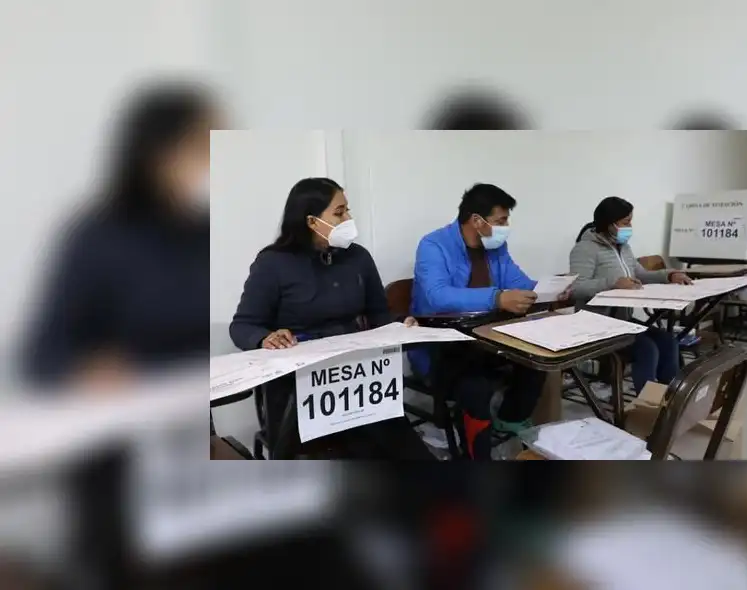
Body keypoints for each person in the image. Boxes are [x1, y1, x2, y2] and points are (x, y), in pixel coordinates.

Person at [21, 82, 214, 389]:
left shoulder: (204, 233)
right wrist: (85, 370)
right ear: (157, 154)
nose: (211, 163)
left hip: (194, 409)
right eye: (201, 149)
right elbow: (40, 355)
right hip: (117, 420)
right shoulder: (97, 235)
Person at [230, 177, 433, 459]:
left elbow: (379, 314)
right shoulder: (273, 263)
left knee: (409, 453)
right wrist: (264, 338)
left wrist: (402, 325)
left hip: (358, 379)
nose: (348, 218)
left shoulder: (358, 258)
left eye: (347, 210)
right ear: (312, 221)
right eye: (339, 212)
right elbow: (242, 326)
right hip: (297, 386)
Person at [411, 183, 553, 460]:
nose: (506, 226)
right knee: (475, 387)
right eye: (501, 220)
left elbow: (519, 283)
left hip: (488, 338)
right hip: (442, 344)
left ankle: (509, 419)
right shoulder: (433, 245)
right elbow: (438, 296)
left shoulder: (495, 248)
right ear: (477, 220)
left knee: (539, 358)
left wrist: (549, 289)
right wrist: (497, 299)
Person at [569, 196, 692, 393]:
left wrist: (670, 275)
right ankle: (648, 407)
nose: (630, 226)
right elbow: (576, 288)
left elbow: (640, 274)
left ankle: (671, 400)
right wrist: (613, 283)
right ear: (609, 223)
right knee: (647, 349)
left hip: (622, 320)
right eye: (626, 222)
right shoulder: (585, 249)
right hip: (595, 324)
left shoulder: (624, 248)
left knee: (668, 341)